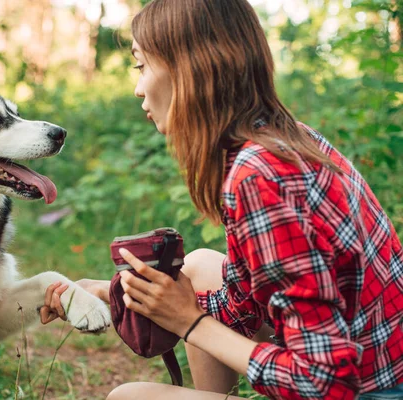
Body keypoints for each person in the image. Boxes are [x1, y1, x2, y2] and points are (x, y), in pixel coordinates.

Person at [40, 0, 403, 399]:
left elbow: (326, 384)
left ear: (189, 68)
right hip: (379, 365)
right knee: (198, 267)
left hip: (368, 389)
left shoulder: (259, 177)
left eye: (140, 66)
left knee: (128, 398)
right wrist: (118, 299)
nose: (138, 88)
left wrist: (190, 322)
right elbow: (242, 303)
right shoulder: (282, 140)